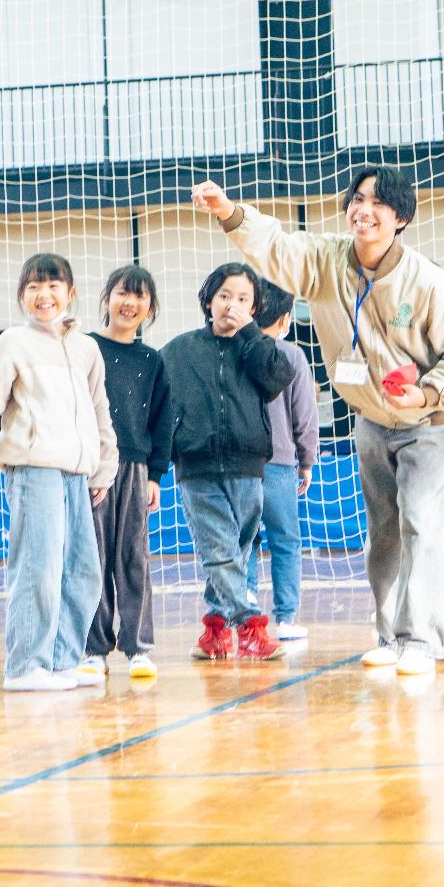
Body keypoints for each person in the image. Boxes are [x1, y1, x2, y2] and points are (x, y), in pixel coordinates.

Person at [193, 165, 444, 677]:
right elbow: (278, 246)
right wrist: (230, 213)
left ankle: (421, 639)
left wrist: (425, 390)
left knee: (424, 521)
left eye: (377, 202)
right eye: (357, 198)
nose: (363, 209)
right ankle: (389, 633)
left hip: (430, 420)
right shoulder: (327, 260)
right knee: (386, 533)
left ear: (400, 218)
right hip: (371, 418)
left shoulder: (431, 283)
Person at [0, 253, 119, 693]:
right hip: (34, 471)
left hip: (77, 474)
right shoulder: (14, 342)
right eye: (33, 287)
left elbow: (100, 412)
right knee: (38, 568)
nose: (43, 295)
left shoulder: (86, 348)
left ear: (71, 293)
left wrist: (105, 466)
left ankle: (61, 661)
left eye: (52, 286)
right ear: (21, 297)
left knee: (83, 571)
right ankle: (25, 665)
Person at [161, 264, 297, 662]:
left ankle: (215, 630)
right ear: (208, 300)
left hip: (248, 466)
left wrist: (251, 334)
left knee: (236, 552)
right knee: (219, 552)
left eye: (242, 299)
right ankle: (250, 625)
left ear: (254, 308)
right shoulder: (179, 350)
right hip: (197, 469)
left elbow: (279, 377)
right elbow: (159, 408)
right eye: (224, 296)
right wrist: (170, 451)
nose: (231, 305)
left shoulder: (257, 348)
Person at [82, 265, 173, 681]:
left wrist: (155, 475)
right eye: (122, 293)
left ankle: (138, 647)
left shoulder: (153, 361)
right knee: (93, 557)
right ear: (106, 300)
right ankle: (93, 648)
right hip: (91, 468)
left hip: (135, 468)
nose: (130, 302)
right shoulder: (83, 349)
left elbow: (162, 421)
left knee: (133, 557)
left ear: (150, 307)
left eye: (140, 296)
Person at [249, 280, 318, 641]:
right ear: (286, 317)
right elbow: (304, 415)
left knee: (244, 542)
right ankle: (286, 618)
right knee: (286, 541)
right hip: (279, 463)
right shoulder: (292, 355)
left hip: (241, 466)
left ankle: (242, 613)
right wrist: (307, 461)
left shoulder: (236, 350)